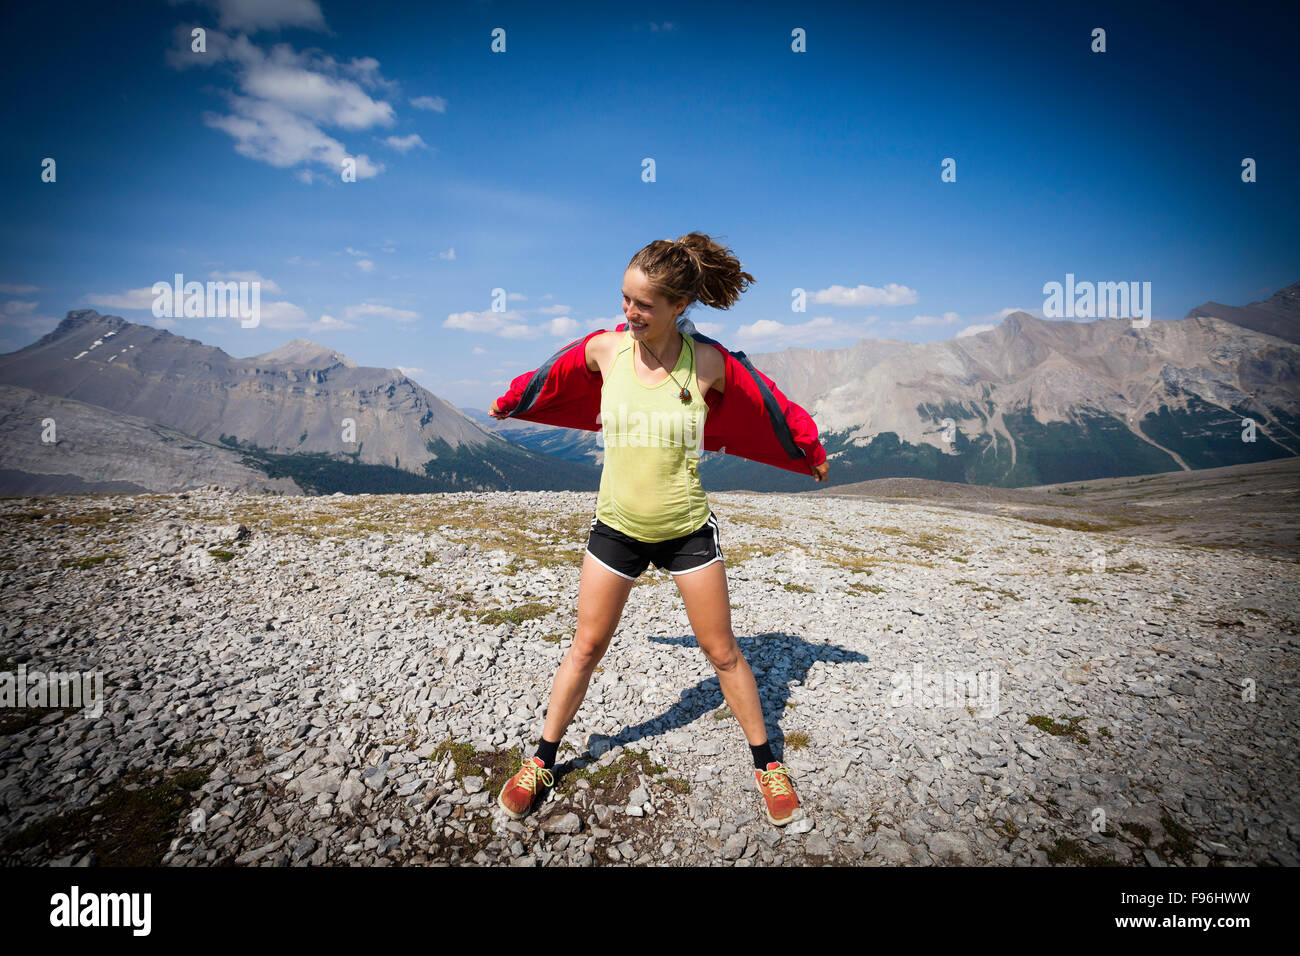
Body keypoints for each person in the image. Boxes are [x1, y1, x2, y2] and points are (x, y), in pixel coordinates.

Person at [488, 233, 829, 828]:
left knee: (722, 653)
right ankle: (542, 759)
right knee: (586, 648)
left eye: (643, 305)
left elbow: (768, 402)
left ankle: (766, 763)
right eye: (625, 299)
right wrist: (513, 399)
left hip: (686, 530)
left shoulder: (710, 363)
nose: (629, 312)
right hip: (616, 528)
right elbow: (552, 374)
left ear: (678, 306)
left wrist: (806, 446)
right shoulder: (605, 351)